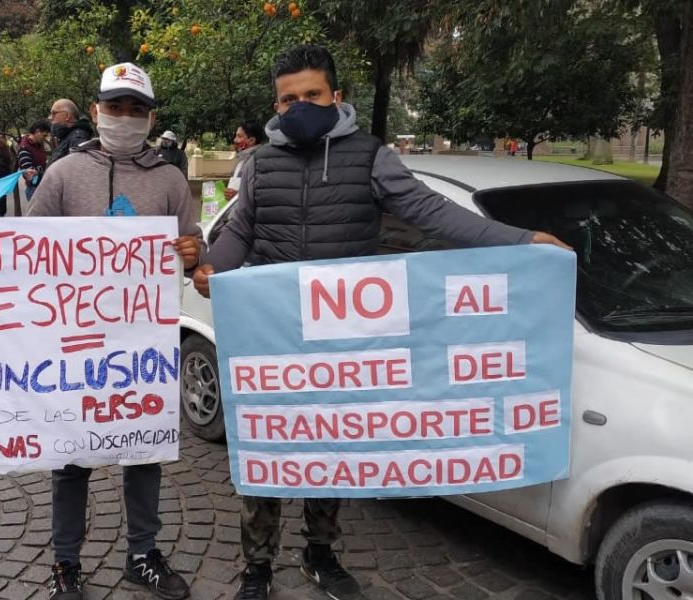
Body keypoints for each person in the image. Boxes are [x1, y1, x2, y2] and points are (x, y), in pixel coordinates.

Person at [191, 45, 569, 600]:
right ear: (275, 104)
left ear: (336, 97)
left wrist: (521, 240)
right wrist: (212, 268)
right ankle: (258, 565)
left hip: (345, 338)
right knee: (268, 448)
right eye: (287, 99)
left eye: (311, 96)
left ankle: (321, 553)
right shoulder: (259, 164)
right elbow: (241, 232)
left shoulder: (370, 157)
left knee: (332, 447)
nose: (299, 107)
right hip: (273, 338)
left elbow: (432, 213)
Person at [0, 62, 202, 600]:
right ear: (96, 111)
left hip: (140, 349)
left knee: (144, 455)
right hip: (71, 345)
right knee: (69, 458)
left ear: (149, 116)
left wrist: (194, 252)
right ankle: (65, 564)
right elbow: (26, 246)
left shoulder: (169, 179)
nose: (125, 117)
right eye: (115, 106)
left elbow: (190, 247)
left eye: (136, 109)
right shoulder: (65, 173)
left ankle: (142, 555)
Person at [225, 120, 264, 201]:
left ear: (251, 140)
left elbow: (263, 194)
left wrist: (238, 196)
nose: (235, 140)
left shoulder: (260, 161)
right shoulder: (240, 160)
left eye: (239, 136)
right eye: (236, 136)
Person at [47, 98, 94, 167]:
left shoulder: (78, 138)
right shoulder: (67, 136)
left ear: (67, 116)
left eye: (54, 113)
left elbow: (80, 170)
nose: (50, 118)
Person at [18, 121, 49, 200]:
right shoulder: (24, 148)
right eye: (44, 135)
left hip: (42, 186)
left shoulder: (38, 145)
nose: (45, 138)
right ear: (37, 131)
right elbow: (30, 174)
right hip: (34, 189)